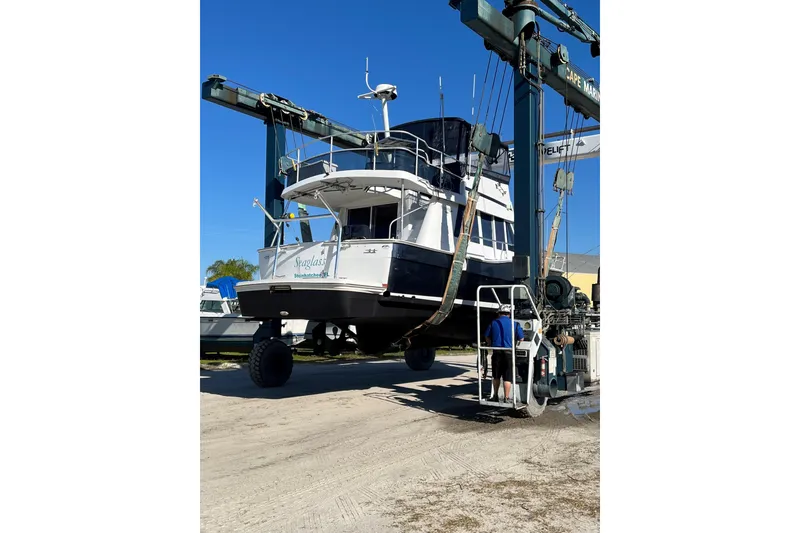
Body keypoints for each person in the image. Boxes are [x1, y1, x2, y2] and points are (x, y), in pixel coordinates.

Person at [483, 304, 525, 403]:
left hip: (496, 352)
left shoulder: (493, 323)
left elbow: (486, 336)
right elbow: (521, 338)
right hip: (509, 353)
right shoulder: (515, 324)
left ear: (499, 313)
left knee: (496, 376)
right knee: (507, 377)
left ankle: (495, 396)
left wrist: (490, 343)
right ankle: (506, 398)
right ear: (509, 314)